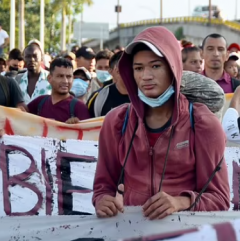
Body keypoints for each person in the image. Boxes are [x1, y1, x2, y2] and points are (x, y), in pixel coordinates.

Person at [93, 26, 229, 218]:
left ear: (173, 67)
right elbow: (103, 186)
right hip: (132, 239)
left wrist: (180, 202)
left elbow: (220, 199)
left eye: (155, 66)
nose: (146, 76)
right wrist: (103, 200)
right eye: (138, 68)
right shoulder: (116, 122)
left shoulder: (203, 124)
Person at [27, 58, 90, 123]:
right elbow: (20, 118)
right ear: (49, 78)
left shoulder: (79, 107)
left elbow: (88, 131)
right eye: (60, 76)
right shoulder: (39, 102)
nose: (65, 81)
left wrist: (74, 128)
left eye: (68, 77)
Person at [87, 51, 130, 117]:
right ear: (115, 70)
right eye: (100, 67)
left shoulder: (145, 96)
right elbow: (87, 122)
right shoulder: (99, 97)